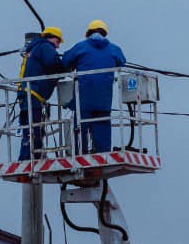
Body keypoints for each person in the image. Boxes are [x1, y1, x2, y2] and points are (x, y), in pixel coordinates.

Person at [61, 19, 127, 153]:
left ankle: (80, 154)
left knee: (80, 127)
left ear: (88, 33)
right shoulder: (114, 49)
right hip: (104, 99)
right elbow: (122, 62)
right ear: (105, 33)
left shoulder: (81, 47)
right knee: (102, 126)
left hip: (84, 98)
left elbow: (66, 61)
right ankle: (103, 154)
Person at [16, 27, 65, 160]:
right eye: (57, 41)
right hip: (33, 94)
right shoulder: (46, 47)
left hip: (27, 93)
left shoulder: (35, 48)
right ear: (49, 37)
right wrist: (65, 67)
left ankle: (28, 157)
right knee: (34, 128)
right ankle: (32, 157)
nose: (58, 45)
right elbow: (52, 63)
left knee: (30, 127)